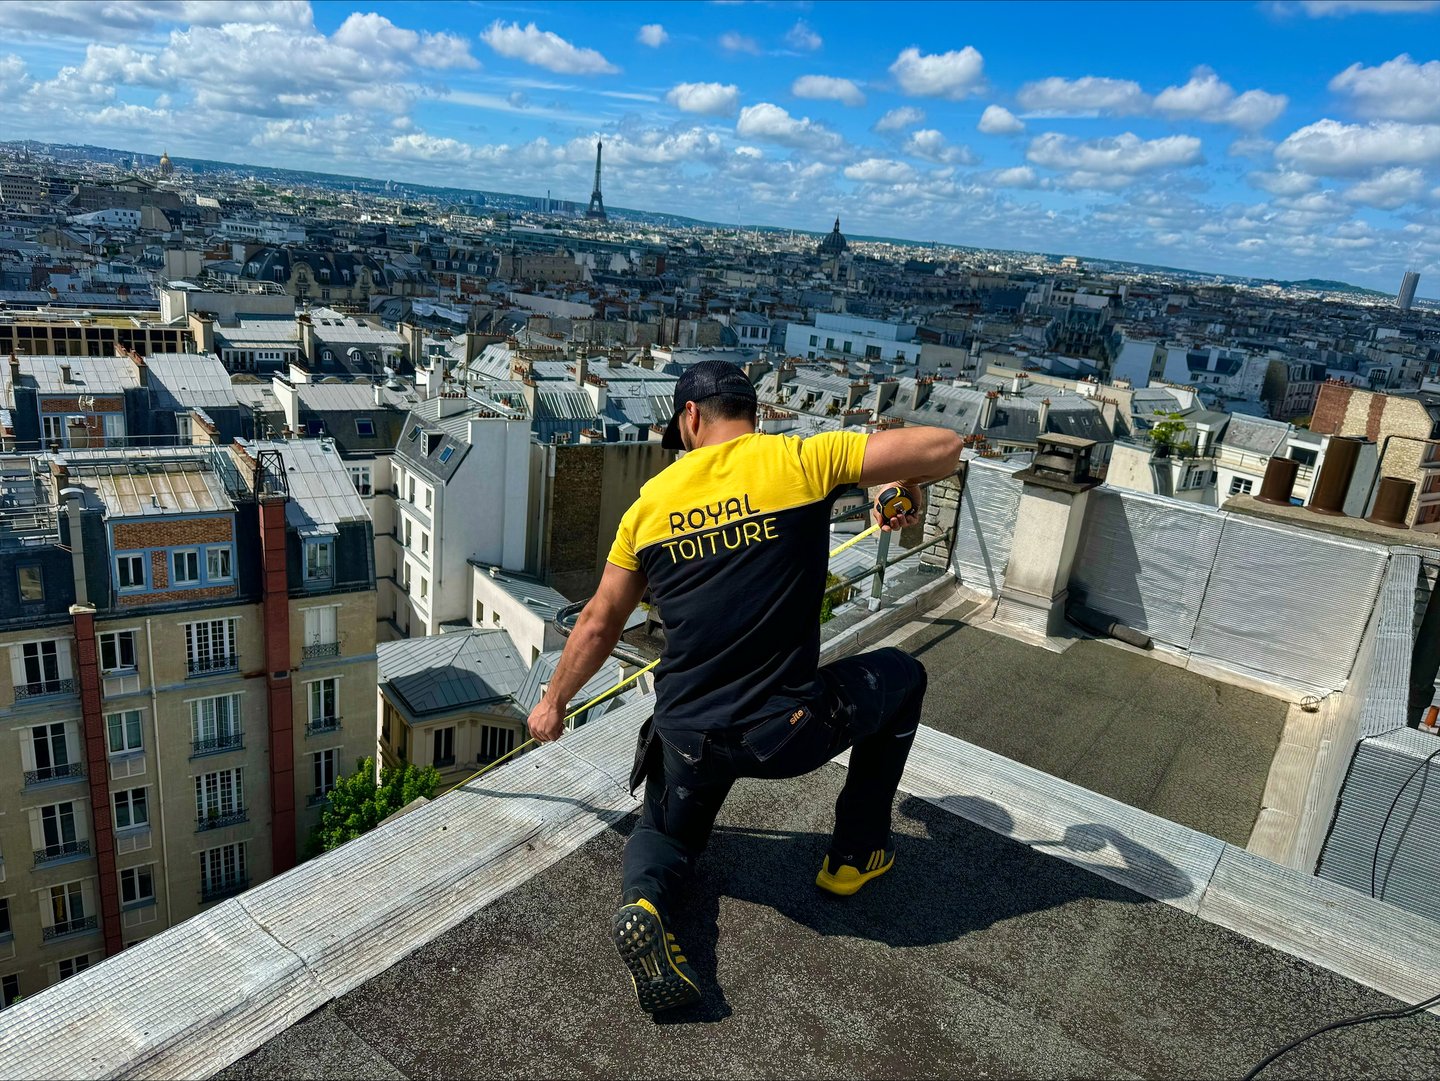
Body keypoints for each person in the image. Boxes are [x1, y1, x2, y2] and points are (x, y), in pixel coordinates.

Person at [525, 360, 963, 1013]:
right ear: (750, 412)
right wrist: (902, 482)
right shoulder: (801, 460)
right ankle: (856, 853)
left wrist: (552, 703)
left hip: (688, 732)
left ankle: (644, 902)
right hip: (784, 731)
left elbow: (596, 623)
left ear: (691, 417)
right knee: (905, 675)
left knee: (664, 833)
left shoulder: (649, 506)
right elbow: (945, 446)